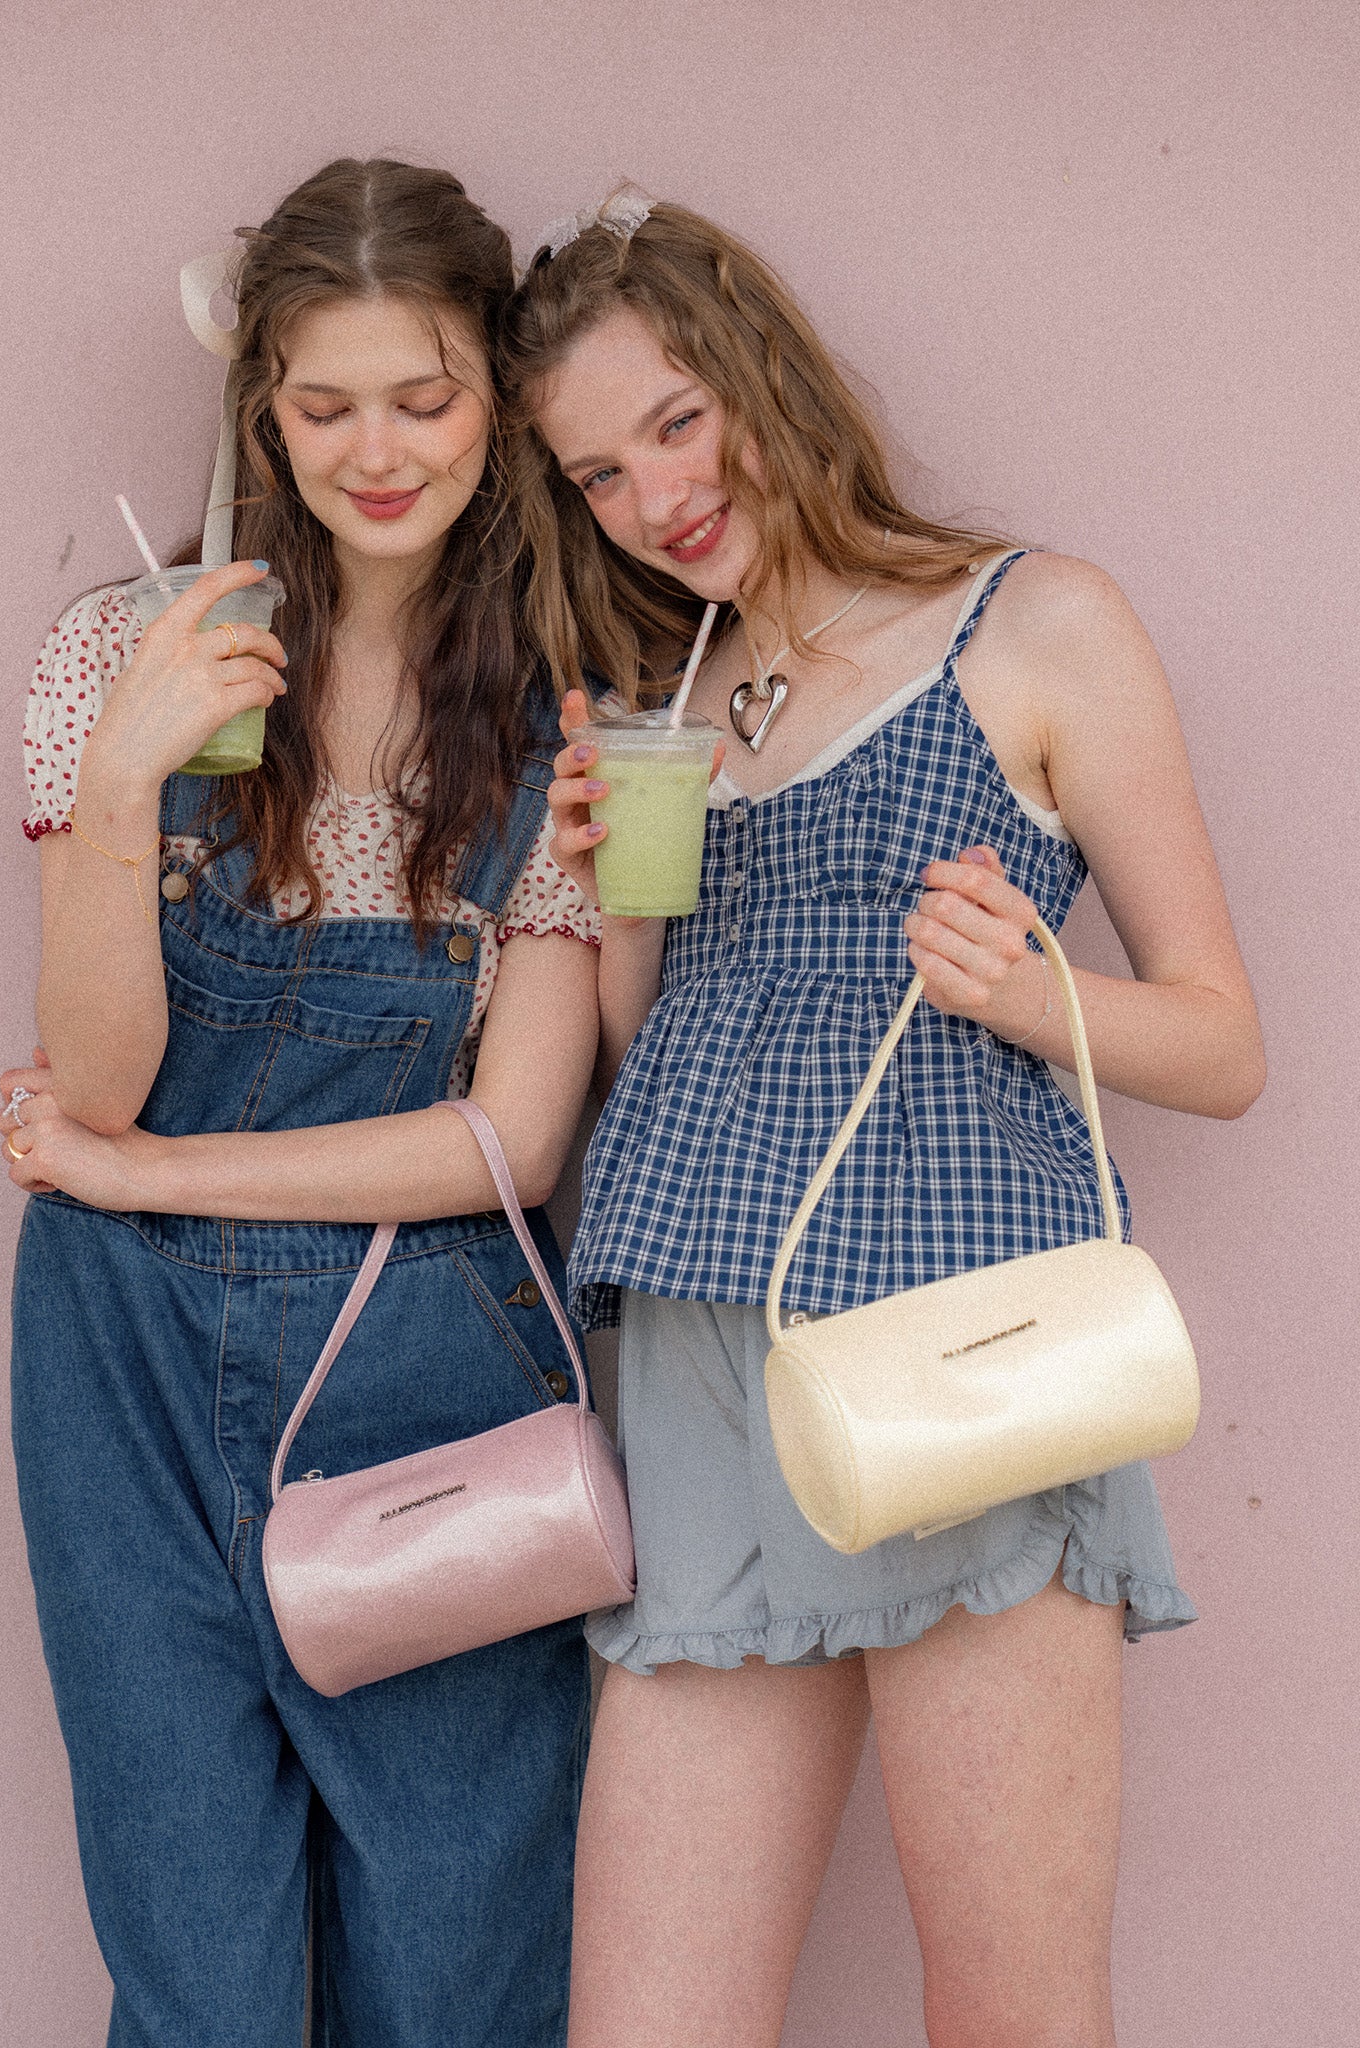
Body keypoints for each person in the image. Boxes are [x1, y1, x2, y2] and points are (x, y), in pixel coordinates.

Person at [501, 193, 1265, 2048]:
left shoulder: (1036, 623)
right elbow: (657, 1064)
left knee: (1009, 2016)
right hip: (702, 1366)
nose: (657, 497)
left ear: (763, 371)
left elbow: (1224, 1044)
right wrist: (612, 901)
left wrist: (1030, 991)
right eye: (600, 474)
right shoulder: (675, 694)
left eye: (678, 422)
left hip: (963, 1349)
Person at [0, 159, 601, 2048]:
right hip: (124, 1378)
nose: (378, 452)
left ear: (497, 393)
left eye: (424, 398)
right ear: (261, 405)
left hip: (432, 1368)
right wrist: (124, 783)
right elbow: (96, 1078)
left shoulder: (573, 710)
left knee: (458, 1967)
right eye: (326, 406)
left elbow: (511, 1143)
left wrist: (149, 1173)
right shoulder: (119, 652)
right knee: (199, 1972)